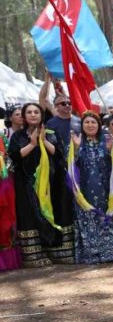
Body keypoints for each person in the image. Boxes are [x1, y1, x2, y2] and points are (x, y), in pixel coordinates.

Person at [7, 102, 75, 267]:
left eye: (36, 112)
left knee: (55, 212)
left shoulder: (51, 133)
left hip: (52, 183)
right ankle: (34, 256)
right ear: (24, 117)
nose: (33, 115)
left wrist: (43, 141)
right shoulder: (18, 136)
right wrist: (32, 144)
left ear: (41, 115)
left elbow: (60, 154)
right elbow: (14, 157)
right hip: (27, 183)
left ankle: (58, 252)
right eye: (29, 112)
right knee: (30, 214)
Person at [70, 112, 113, 264]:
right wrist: (76, 148)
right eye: (87, 122)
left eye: (93, 122)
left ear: (99, 125)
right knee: (92, 219)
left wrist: (109, 150)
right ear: (82, 125)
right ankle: (94, 254)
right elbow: (70, 165)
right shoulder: (77, 141)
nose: (90, 125)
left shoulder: (106, 139)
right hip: (86, 190)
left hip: (110, 189)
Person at [0, 130, 21, 270]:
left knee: (5, 220)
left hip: (3, 184)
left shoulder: (2, 137)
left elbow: (8, 162)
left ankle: (6, 260)